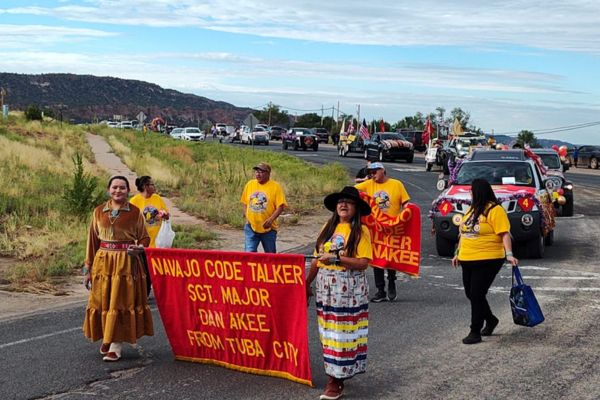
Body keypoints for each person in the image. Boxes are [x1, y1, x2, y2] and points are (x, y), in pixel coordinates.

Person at [306, 186, 373, 400]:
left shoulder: (361, 231)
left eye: (349, 202)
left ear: (356, 208)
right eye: (340, 202)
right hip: (325, 288)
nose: (343, 205)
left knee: (341, 336)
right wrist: (306, 283)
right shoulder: (328, 227)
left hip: (348, 289)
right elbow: (317, 258)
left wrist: (337, 259)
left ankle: (336, 381)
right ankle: (336, 373)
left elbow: (363, 263)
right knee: (327, 334)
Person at [82, 176, 153, 361]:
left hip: (126, 263)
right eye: (115, 187)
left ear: (128, 191)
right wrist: (87, 269)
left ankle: (115, 344)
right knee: (104, 301)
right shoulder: (99, 212)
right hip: (103, 263)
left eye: (122, 188)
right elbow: (92, 241)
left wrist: (139, 248)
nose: (118, 191)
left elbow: (145, 237)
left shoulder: (135, 212)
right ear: (108, 190)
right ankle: (107, 335)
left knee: (120, 302)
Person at [451, 178, 518, 345]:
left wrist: (509, 254)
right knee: (471, 293)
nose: (470, 193)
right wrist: (457, 253)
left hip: (488, 258)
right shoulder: (472, 210)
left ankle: (475, 331)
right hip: (467, 258)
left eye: (472, 190)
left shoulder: (495, 210)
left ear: (479, 191)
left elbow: (504, 233)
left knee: (477, 294)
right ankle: (491, 319)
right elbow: (463, 233)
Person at [355, 162, 410, 302]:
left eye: (374, 172)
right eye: (370, 173)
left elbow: (406, 203)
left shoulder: (396, 184)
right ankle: (380, 290)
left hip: (392, 227)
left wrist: (407, 213)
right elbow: (352, 190)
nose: (372, 175)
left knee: (390, 257)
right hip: (376, 228)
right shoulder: (369, 184)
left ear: (382, 171)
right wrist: (361, 181)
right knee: (377, 259)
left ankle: (392, 282)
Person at [240, 162, 287, 253]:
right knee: (249, 253)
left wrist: (271, 219)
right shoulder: (250, 184)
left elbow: (280, 206)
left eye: (261, 172)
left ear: (268, 173)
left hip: (268, 229)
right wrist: (247, 217)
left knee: (270, 254)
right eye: (257, 171)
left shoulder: (275, 187)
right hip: (251, 227)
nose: (258, 174)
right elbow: (245, 202)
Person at [129, 176, 170, 248]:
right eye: (152, 184)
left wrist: (164, 215)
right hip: (141, 243)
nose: (154, 186)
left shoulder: (157, 198)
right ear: (146, 186)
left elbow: (167, 216)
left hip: (157, 242)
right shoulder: (134, 201)